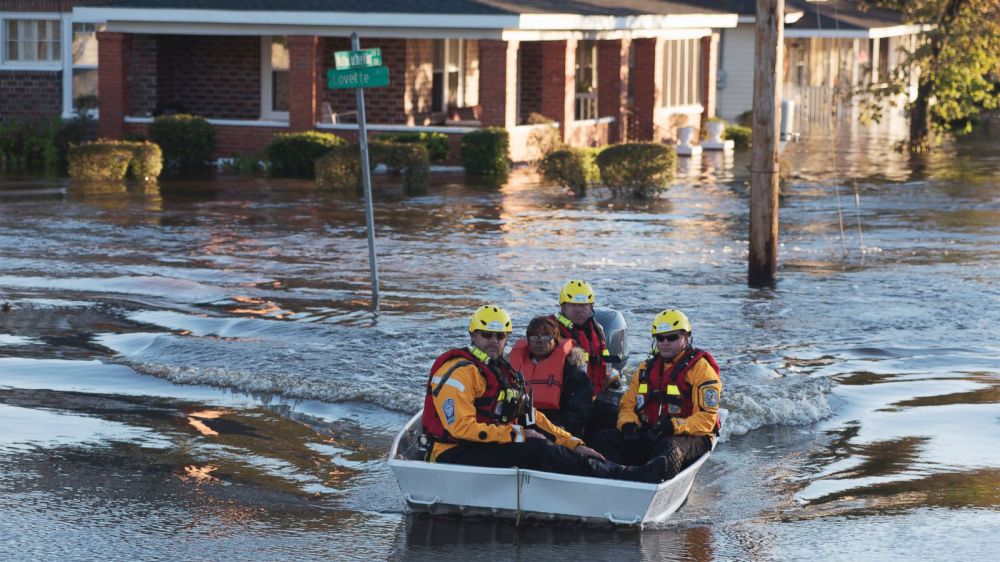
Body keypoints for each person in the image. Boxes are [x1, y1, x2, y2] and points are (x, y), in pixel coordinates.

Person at [421, 304, 671, 484]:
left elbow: (532, 417)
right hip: (452, 452)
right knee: (536, 448)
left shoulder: (501, 371)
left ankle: (612, 469)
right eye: (486, 335)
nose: (493, 341)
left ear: (507, 338)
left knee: (547, 440)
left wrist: (573, 444)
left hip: (484, 445)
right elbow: (460, 428)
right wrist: (517, 433)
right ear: (473, 335)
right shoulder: (459, 373)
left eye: (499, 336)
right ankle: (623, 476)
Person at [592, 309, 722, 480]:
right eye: (660, 338)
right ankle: (616, 477)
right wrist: (628, 425)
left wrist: (674, 426)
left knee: (670, 449)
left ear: (686, 337)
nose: (665, 342)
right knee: (604, 439)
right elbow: (627, 404)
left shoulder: (701, 370)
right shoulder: (646, 369)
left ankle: (651, 480)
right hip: (652, 430)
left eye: (672, 337)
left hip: (689, 435)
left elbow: (706, 420)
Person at [508, 316, 592, 437]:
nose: (539, 341)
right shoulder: (510, 368)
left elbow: (579, 410)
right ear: (528, 340)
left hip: (558, 427)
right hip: (522, 425)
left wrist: (561, 430)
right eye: (534, 336)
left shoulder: (571, 369)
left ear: (556, 340)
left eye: (546, 336)